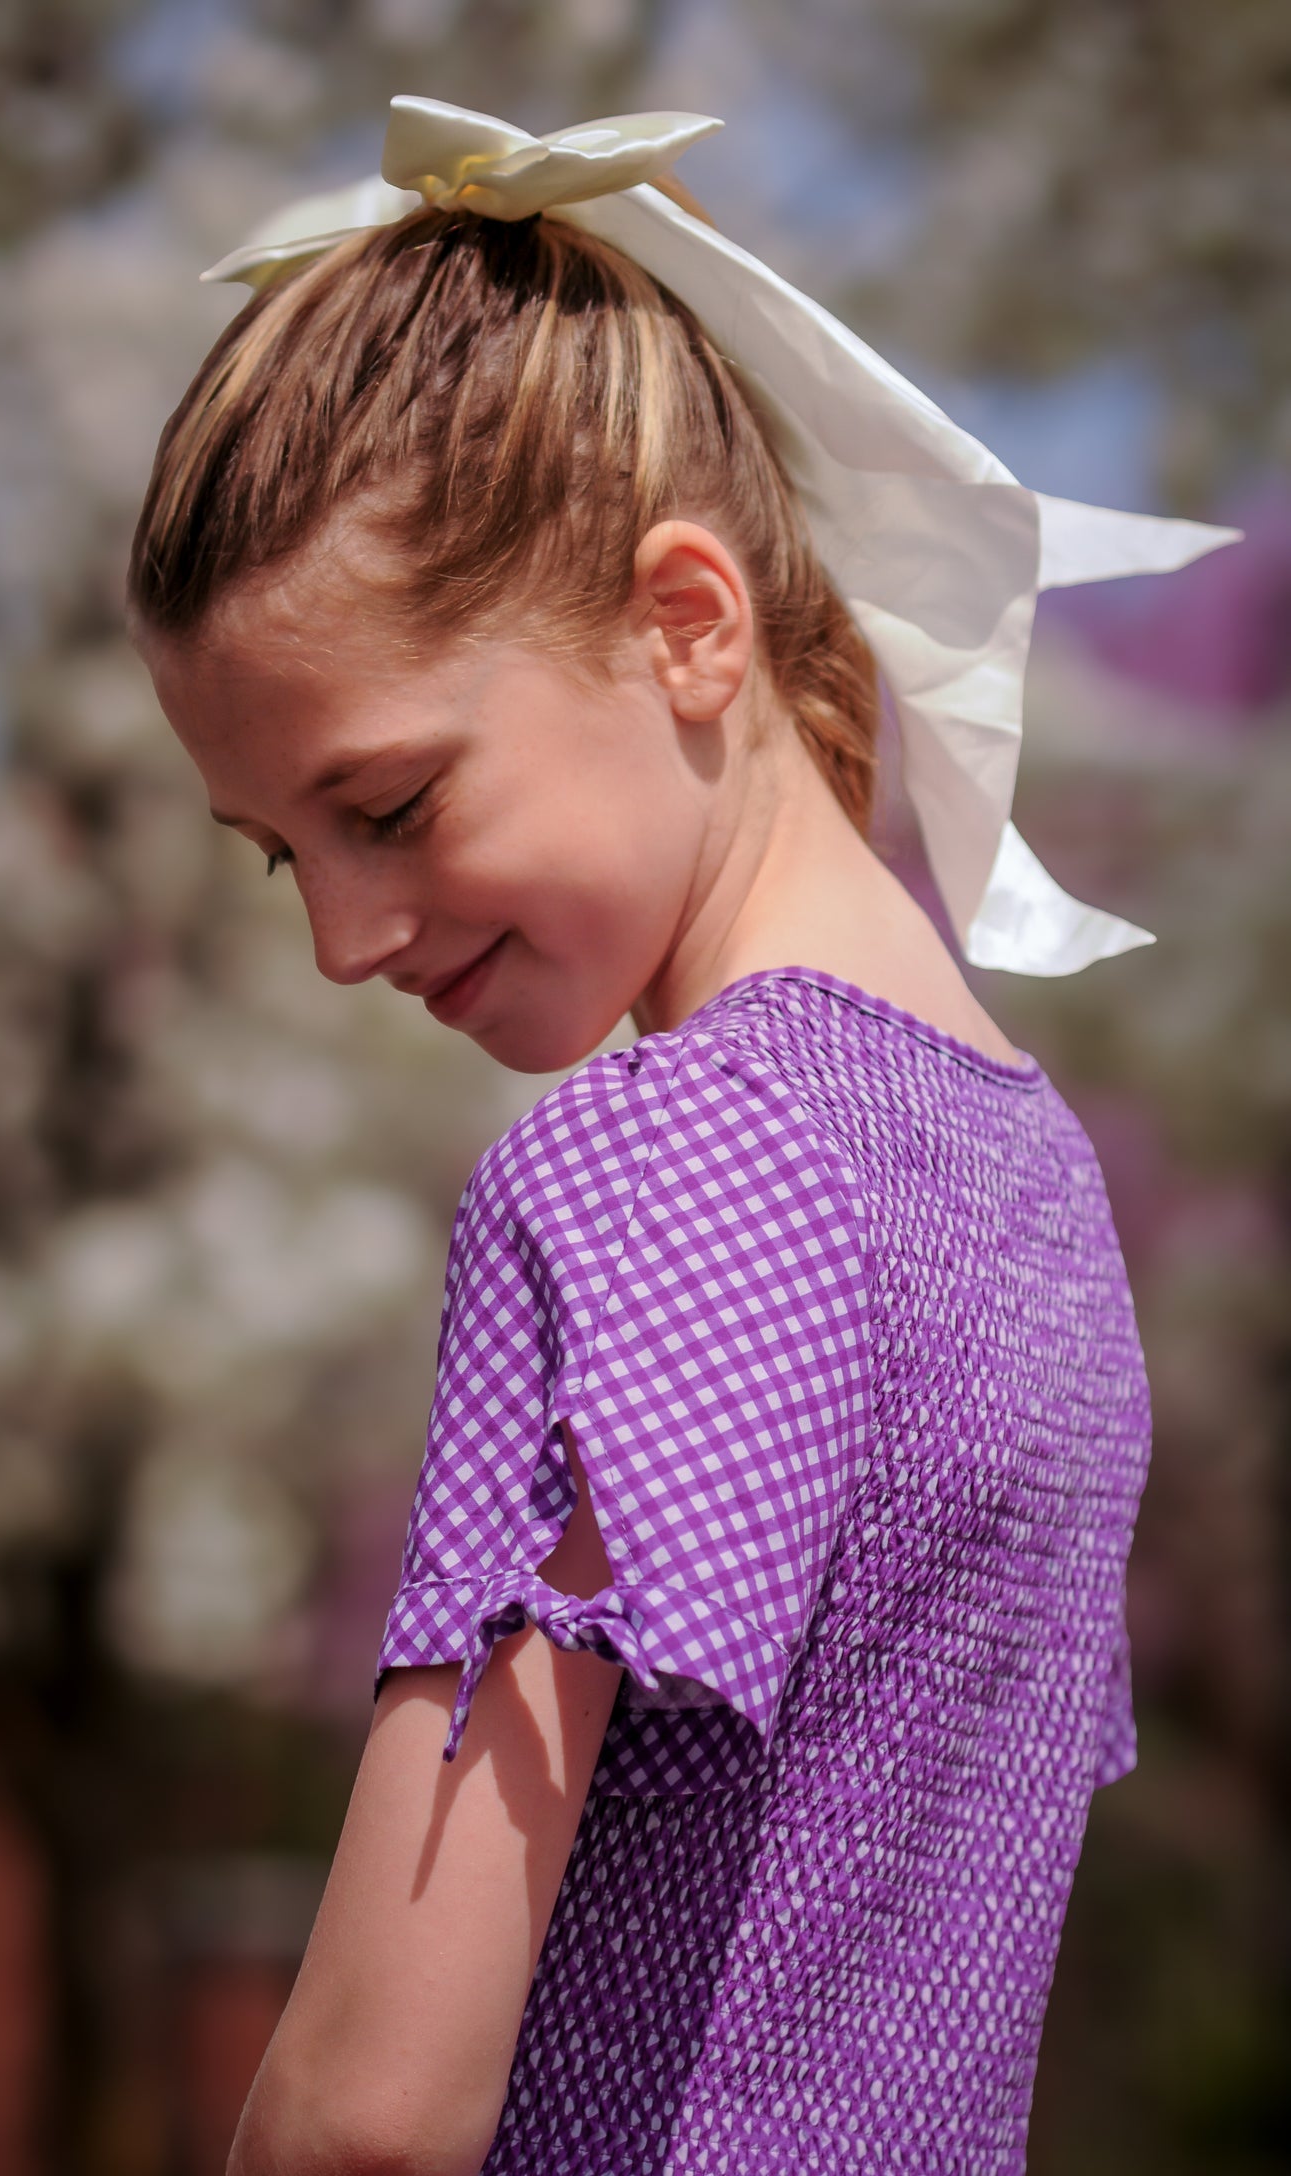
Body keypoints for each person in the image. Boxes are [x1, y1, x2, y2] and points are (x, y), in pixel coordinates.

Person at [125, 98, 1216, 2176]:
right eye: (283, 861)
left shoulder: (656, 1163)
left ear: (690, 621)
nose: (347, 936)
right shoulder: (1033, 1180)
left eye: (387, 804)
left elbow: (369, 2107)